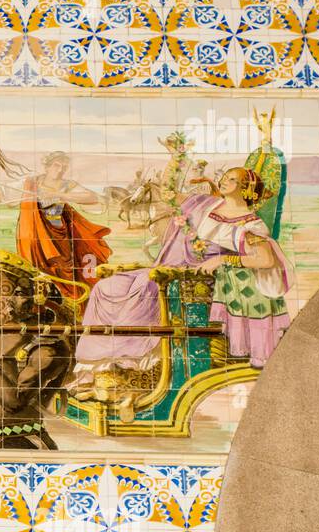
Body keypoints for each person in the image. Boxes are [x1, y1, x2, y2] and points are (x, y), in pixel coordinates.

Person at [71, 165, 293, 392]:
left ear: (246, 190)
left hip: (195, 277)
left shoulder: (250, 224)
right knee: (105, 287)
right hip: (169, 267)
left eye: (232, 180)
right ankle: (93, 364)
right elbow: (168, 195)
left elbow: (265, 260)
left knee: (142, 290)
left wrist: (223, 260)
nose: (224, 181)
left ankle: (125, 359)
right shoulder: (206, 203)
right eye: (225, 177)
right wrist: (175, 159)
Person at [0, 150, 111, 305]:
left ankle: (69, 306)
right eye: (57, 165)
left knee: (64, 274)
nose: (60, 169)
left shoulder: (67, 185)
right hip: (32, 239)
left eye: (64, 166)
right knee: (32, 275)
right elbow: (3, 196)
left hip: (58, 240)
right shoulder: (29, 183)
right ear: (47, 166)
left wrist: (62, 195)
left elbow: (91, 197)